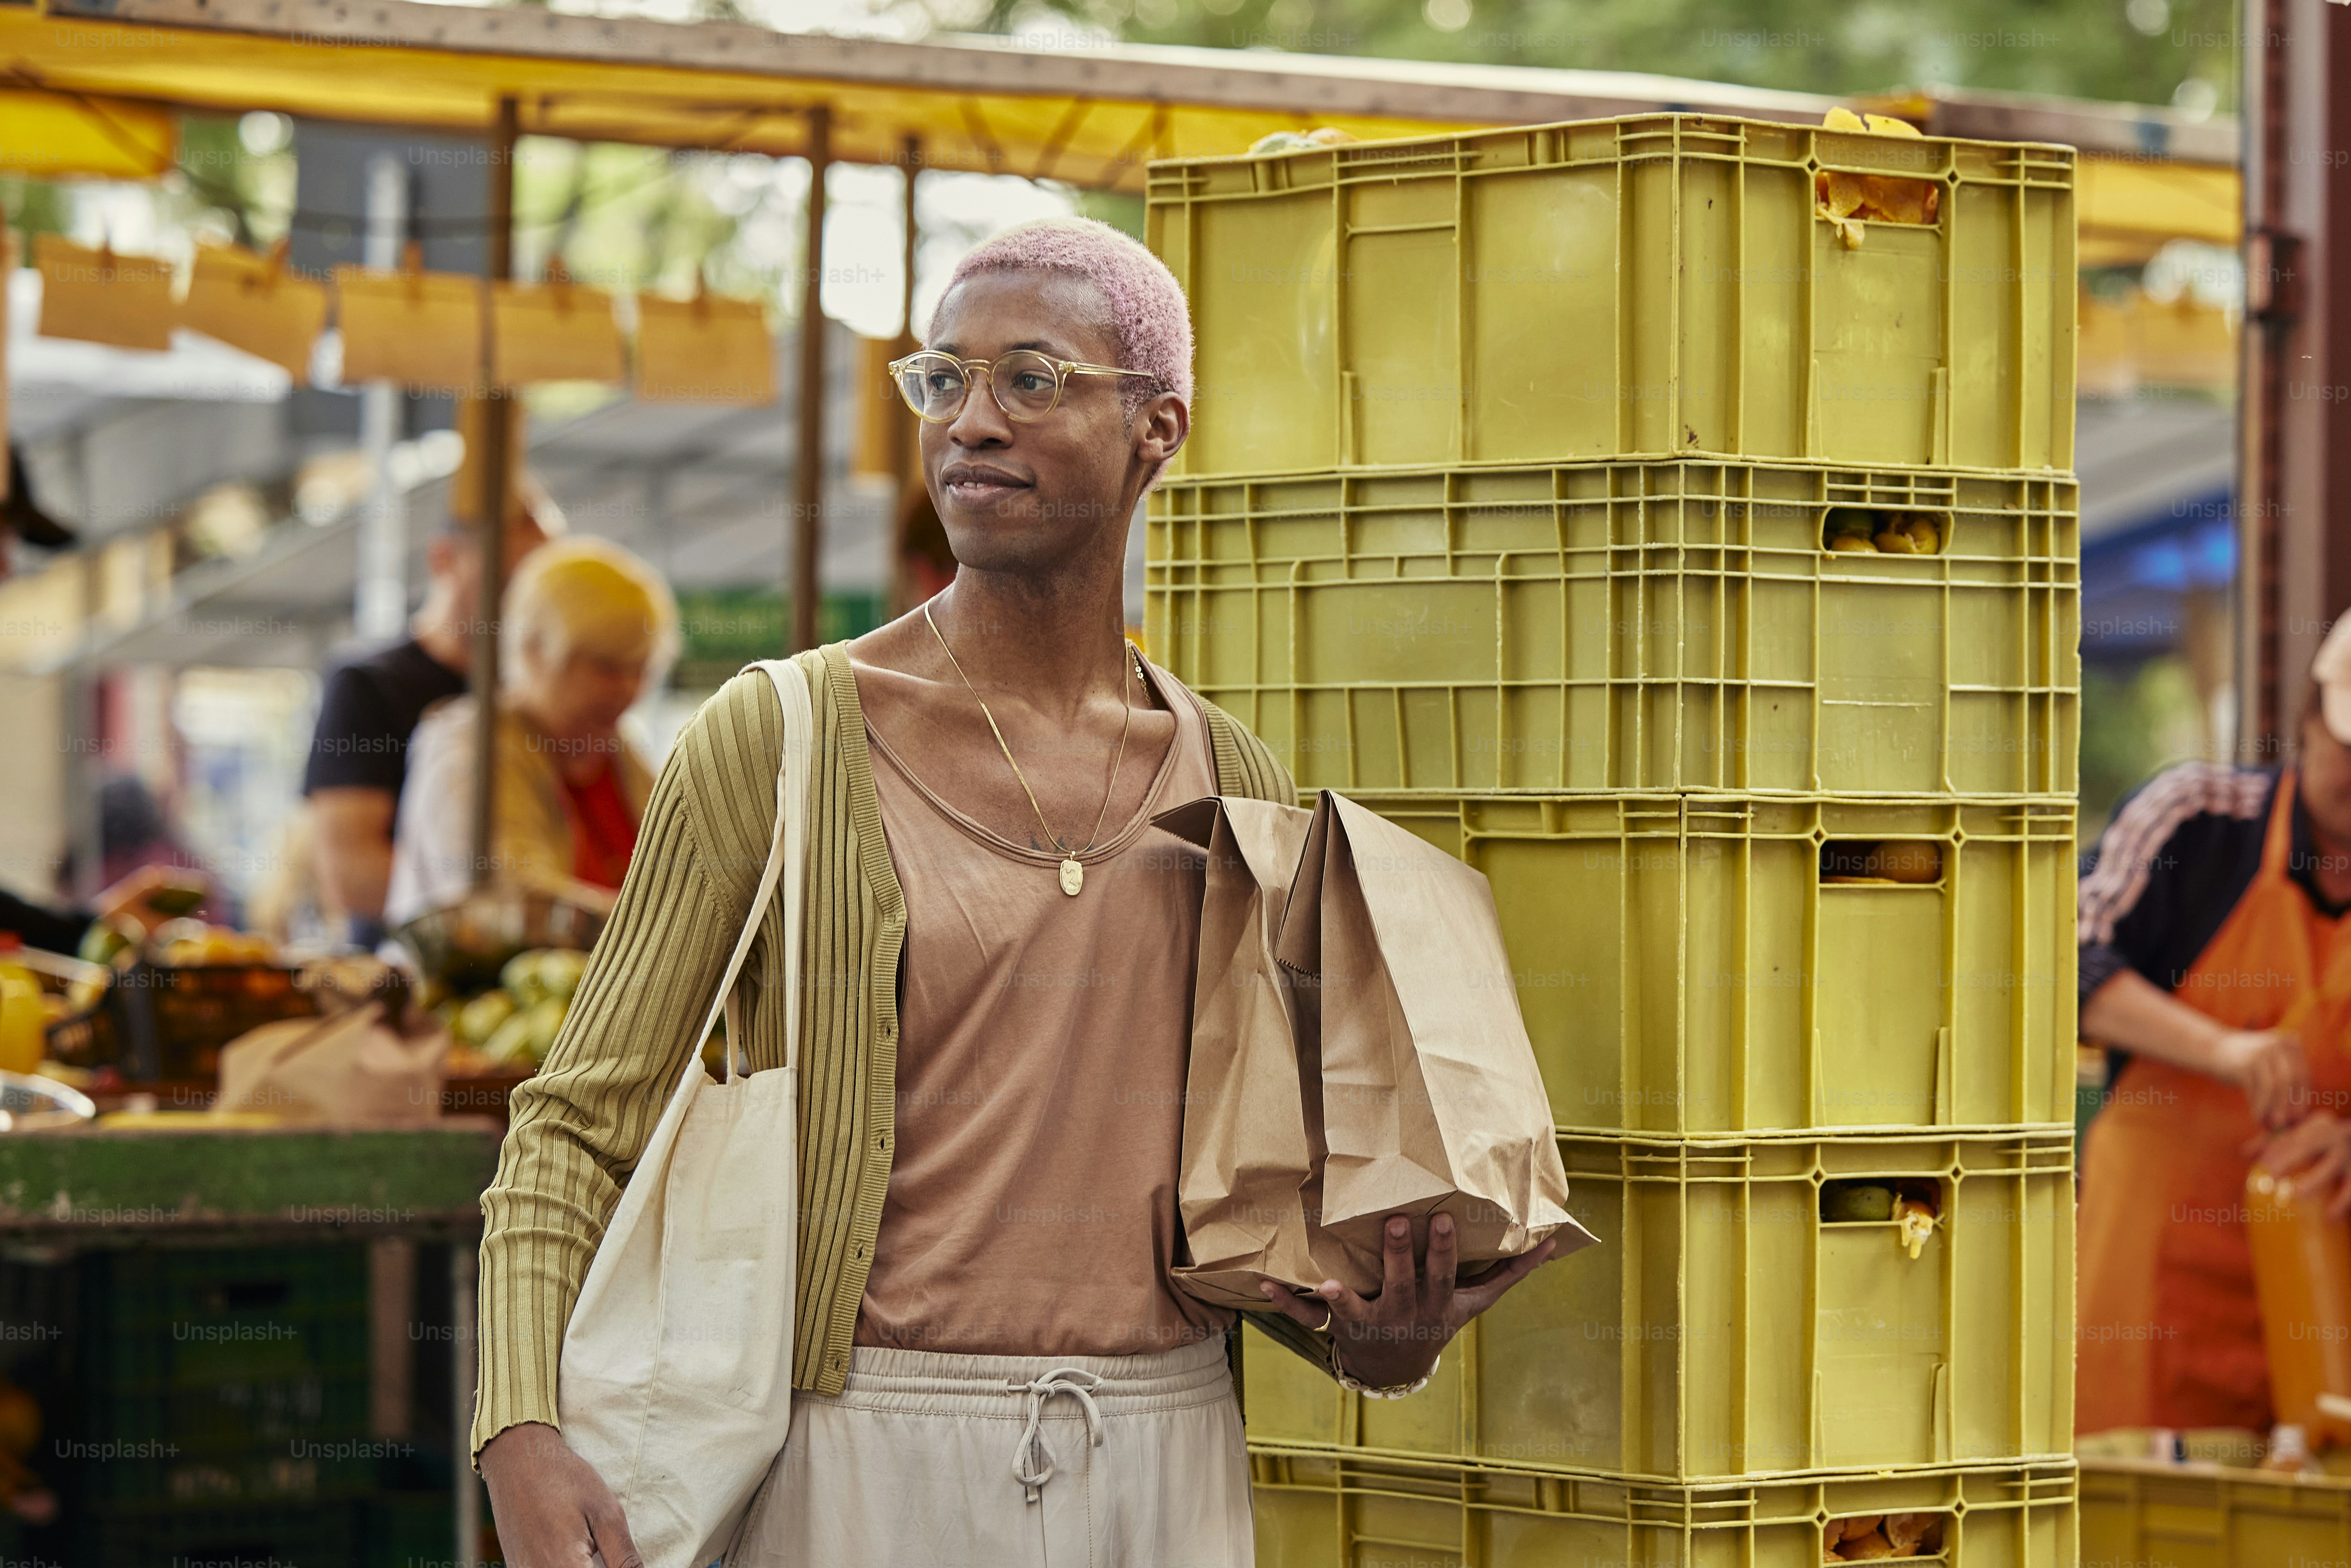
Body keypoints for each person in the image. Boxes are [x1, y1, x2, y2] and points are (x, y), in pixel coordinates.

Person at [472, 217, 1559, 1567]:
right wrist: (518, 1426)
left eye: (1032, 379)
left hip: (1164, 1454)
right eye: (944, 380)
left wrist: (1371, 1338)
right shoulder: (782, 741)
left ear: (1156, 429)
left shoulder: (1234, 776)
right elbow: (577, 1124)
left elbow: (1241, 1192)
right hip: (862, 1447)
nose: (971, 421)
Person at [2077, 616, 2351, 1435]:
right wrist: (2223, 1049)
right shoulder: (2195, 820)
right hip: (2153, 1302)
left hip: (2326, 1314)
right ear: (2309, 719)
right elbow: (2060, 952)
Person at [304, 484, 554, 944]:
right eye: (505, 580)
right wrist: (499, 913)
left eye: (536, 589)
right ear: (443, 559)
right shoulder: (368, 685)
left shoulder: (528, 699)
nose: (522, 604)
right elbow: (351, 874)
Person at [383, 536, 674, 926]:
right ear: (534, 650)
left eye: (641, 669)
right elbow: (512, 905)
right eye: (606, 667)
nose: (628, 689)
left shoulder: (624, 758)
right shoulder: (471, 751)